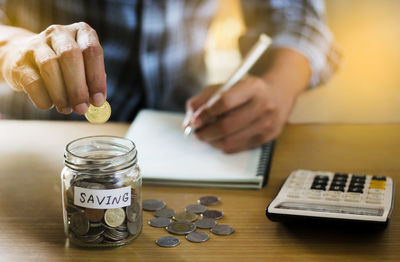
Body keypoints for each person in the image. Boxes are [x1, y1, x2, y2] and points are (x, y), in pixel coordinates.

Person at [0, 0, 340, 153]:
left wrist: (279, 86)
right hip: (35, 138)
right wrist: (11, 48)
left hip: (188, 134)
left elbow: (296, 14)